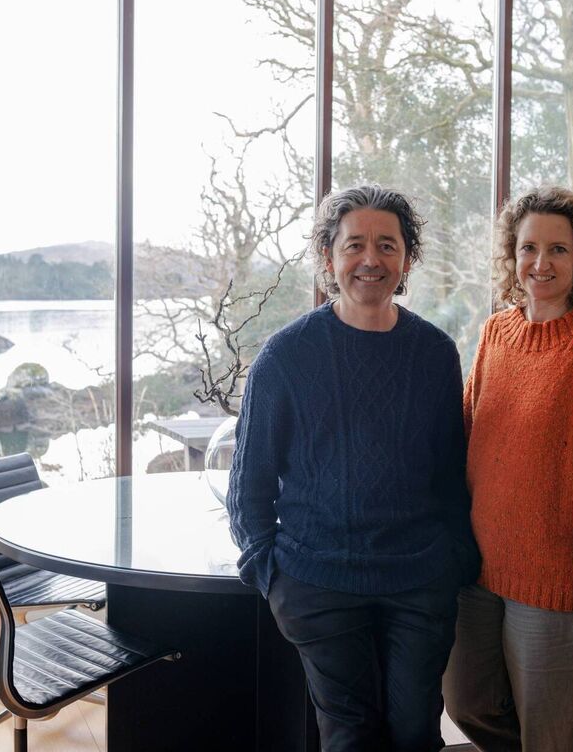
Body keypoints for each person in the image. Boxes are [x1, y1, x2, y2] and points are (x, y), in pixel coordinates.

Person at [227, 184, 481, 752]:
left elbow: (449, 472)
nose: (371, 260)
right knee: (350, 737)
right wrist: (272, 576)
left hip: (419, 581)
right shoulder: (286, 356)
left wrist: (455, 559)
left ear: (407, 259)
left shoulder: (435, 353)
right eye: (355, 245)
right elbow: (250, 484)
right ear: (328, 259)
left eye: (387, 245)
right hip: (317, 584)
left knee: (417, 732)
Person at [443, 186, 573, 752]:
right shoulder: (495, 334)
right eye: (528, 248)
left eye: (558, 250)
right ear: (511, 257)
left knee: (550, 731)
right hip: (478, 568)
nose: (541, 263)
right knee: (465, 703)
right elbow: (466, 439)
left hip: (555, 577)